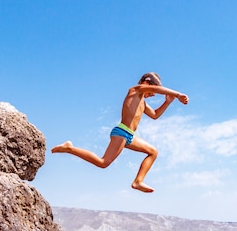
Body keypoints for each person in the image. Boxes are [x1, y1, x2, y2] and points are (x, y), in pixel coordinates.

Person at [51, 72, 189, 193]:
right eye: (151, 93)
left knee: (153, 152)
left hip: (130, 136)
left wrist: (168, 102)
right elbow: (154, 88)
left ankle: (138, 182)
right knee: (103, 162)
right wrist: (177, 94)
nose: (152, 95)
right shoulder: (135, 90)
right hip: (121, 131)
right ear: (146, 82)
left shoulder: (143, 102)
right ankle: (69, 148)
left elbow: (154, 115)